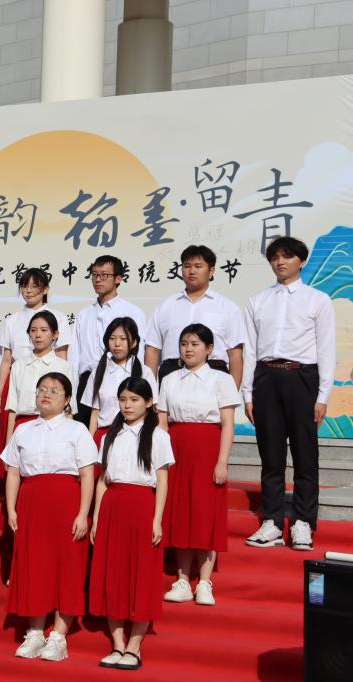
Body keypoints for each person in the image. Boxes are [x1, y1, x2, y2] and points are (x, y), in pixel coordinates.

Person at [243, 236, 336, 551]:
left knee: (305, 456)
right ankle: (271, 521)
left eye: (287, 256)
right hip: (266, 377)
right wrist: (248, 394)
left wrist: (322, 396)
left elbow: (326, 350)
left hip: (302, 378)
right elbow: (250, 350)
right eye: (275, 257)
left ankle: (303, 523)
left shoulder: (317, 300)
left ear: (302, 261)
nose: (280, 262)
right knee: (271, 456)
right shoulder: (258, 300)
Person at [3, 372, 97, 662]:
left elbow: (87, 474)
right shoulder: (23, 430)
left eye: (54, 390)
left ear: (67, 399)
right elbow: (13, 472)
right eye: (42, 389)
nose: (46, 394)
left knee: (67, 564)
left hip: (66, 502)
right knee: (34, 564)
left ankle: (58, 636)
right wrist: (11, 508)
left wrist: (83, 513)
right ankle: (34, 632)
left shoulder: (77, 430)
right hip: (31, 502)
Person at [89, 377, 173, 671]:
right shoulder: (109, 436)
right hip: (113, 505)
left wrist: (157, 520)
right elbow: (103, 480)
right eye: (123, 399)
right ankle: (117, 643)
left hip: (142, 506)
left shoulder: (159, 436)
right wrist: (96, 517)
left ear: (149, 403)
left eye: (134, 400)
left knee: (142, 573)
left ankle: (134, 646)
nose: (127, 405)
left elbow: (162, 480)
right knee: (112, 571)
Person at [159, 324, 241, 606]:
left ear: (209, 349)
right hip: (176, 449)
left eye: (195, 344)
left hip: (208, 449)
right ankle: (182, 580)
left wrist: (222, 462)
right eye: (184, 343)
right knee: (180, 513)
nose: (188, 349)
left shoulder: (221, 379)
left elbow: (228, 424)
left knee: (206, 514)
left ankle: (204, 582)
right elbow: (162, 423)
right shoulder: (169, 380)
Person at [145, 245, 245, 386]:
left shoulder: (228, 307)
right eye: (187, 266)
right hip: (172, 374)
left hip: (213, 374)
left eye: (198, 266)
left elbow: (235, 354)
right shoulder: (166, 306)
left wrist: (232, 393)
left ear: (211, 271)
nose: (191, 271)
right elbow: (153, 349)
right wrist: (149, 390)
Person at [0, 268, 72, 446]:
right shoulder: (11, 321)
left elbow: (62, 355)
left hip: (51, 381)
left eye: (34, 286)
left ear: (45, 289)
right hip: (18, 380)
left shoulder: (59, 318)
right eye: (24, 286)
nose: (28, 291)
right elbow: (6, 360)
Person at [73, 257, 146, 426]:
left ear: (118, 279)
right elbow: (75, 356)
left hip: (121, 379)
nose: (98, 279)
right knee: (86, 433)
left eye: (104, 275)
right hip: (88, 381)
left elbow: (140, 352)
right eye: (94, 275)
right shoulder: (84, 314)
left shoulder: (132, 311)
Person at [82, 317, 158, 448]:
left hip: (136, 437)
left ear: (134, 342)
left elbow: (153, 410)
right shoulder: (97, 372)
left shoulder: (145, 372)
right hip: (104, 436)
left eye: (123, 339)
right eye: (112, 338)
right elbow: (95, 413)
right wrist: (89, 444)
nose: (117, 344)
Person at [3, 311, 74, 446]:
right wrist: (9, 445)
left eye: (44, 330)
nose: (38, 335)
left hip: (54, 430)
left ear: (55, 334)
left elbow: (69, 410)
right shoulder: (18, 366)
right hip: (22, 428)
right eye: (33, 330)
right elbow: (12, 409)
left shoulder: (63, 367)